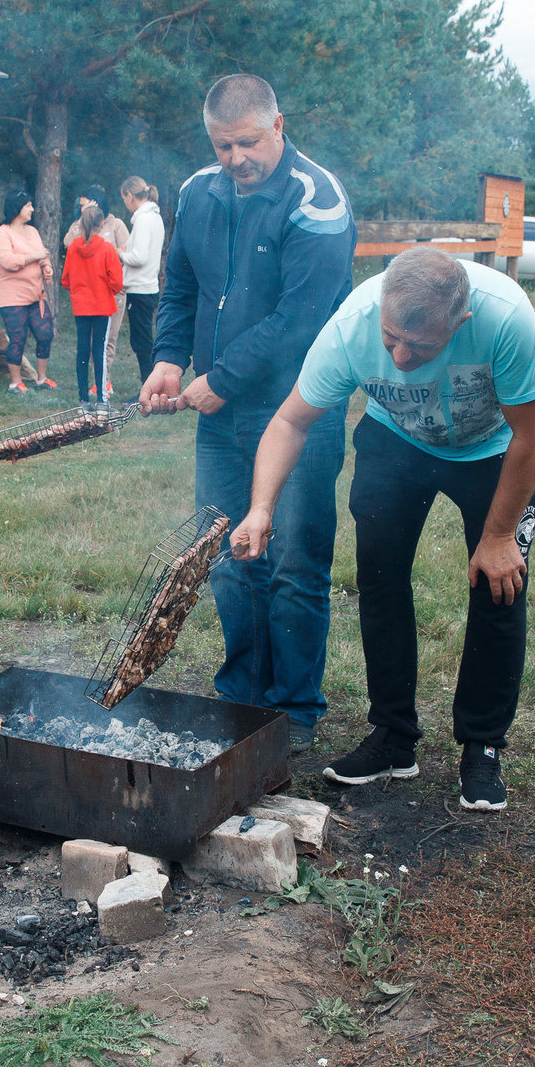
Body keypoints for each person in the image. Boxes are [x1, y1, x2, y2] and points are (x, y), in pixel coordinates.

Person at [230, 247, 535, 811]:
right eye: (390, 341)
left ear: (461, 322)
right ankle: (392, 738)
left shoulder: (507, 317)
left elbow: (533, 436)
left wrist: (499, 536)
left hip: (494, 450)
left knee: (498, 585)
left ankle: (482, 746)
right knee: (379, 579)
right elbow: (289, 420)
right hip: (397, 440)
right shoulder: (353, 324)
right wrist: (261, 508)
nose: (400, 356)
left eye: (420, 346)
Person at [142, 75, 355, 748]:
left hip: (300, 408)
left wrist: (223, 378)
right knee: (226, 553)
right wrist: (170, 356)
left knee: (293, 561)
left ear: (279, 126)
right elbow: (178, 287)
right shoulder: (198, 193)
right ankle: (242, 695)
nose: (236, 157)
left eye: (248, 141)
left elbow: (301, 320)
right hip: (221, 411)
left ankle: (293, 710)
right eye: (223, 144)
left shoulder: (316, 203)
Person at [0, 187, 56, 393]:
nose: (32, 209)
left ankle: (41, 379)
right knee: (18, 337)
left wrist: (46, 266)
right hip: (11, 297)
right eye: (28, 206)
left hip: (35, 295)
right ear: (17, 208)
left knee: (45, 333)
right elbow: (8, 261)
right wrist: (36, 256)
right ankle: (15, 382)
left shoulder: (33, 231)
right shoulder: (2, 234)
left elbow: (42, 254)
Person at [63, 208, 124, 403]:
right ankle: (101, 400)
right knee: (100, 351)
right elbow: (117, 281)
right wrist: (105, 290)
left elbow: (65, 280)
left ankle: (83, 400)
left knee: (82, 350)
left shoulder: (73, 247)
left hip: (81, 307)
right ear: (101, 224)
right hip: (101, 306)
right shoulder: (106, 248)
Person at [118, 176, 166, 381]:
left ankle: (149, 386)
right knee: (142, 341)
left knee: (142, 343)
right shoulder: (152, 217)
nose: (125, 202)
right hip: (146, 287)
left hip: (141, 289)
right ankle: (149, 383)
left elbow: (139, 257)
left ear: (129, 195)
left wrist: (118, 253)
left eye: (124, 198)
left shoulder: (145, 219)